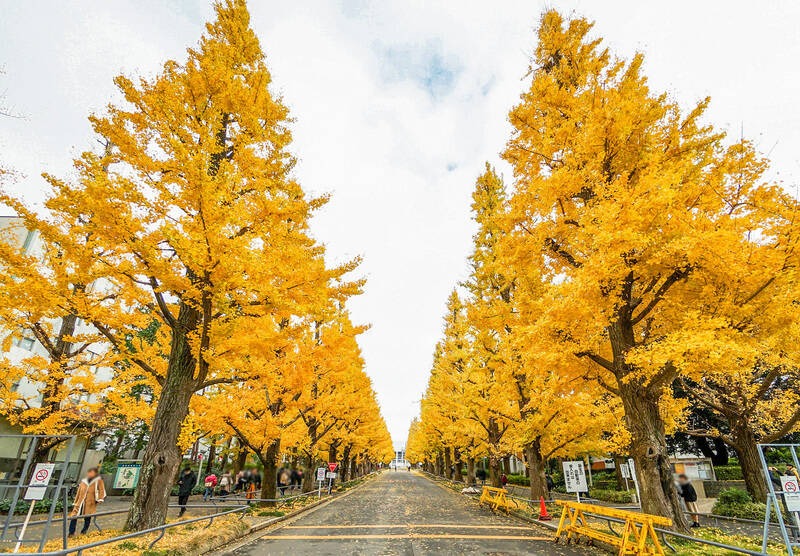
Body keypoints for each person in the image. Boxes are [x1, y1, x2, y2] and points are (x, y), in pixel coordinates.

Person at [69, 467, 105, 536]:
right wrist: (76, 501)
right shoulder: (84, 481)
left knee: (87, 517)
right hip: (80, 502)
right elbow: (79, 492)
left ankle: (84, 532)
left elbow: (101, 489)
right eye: (89, 472)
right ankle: (71, 532)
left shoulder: (98, 481)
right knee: (74, 516)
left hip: (90, 502)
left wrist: (100, 498)